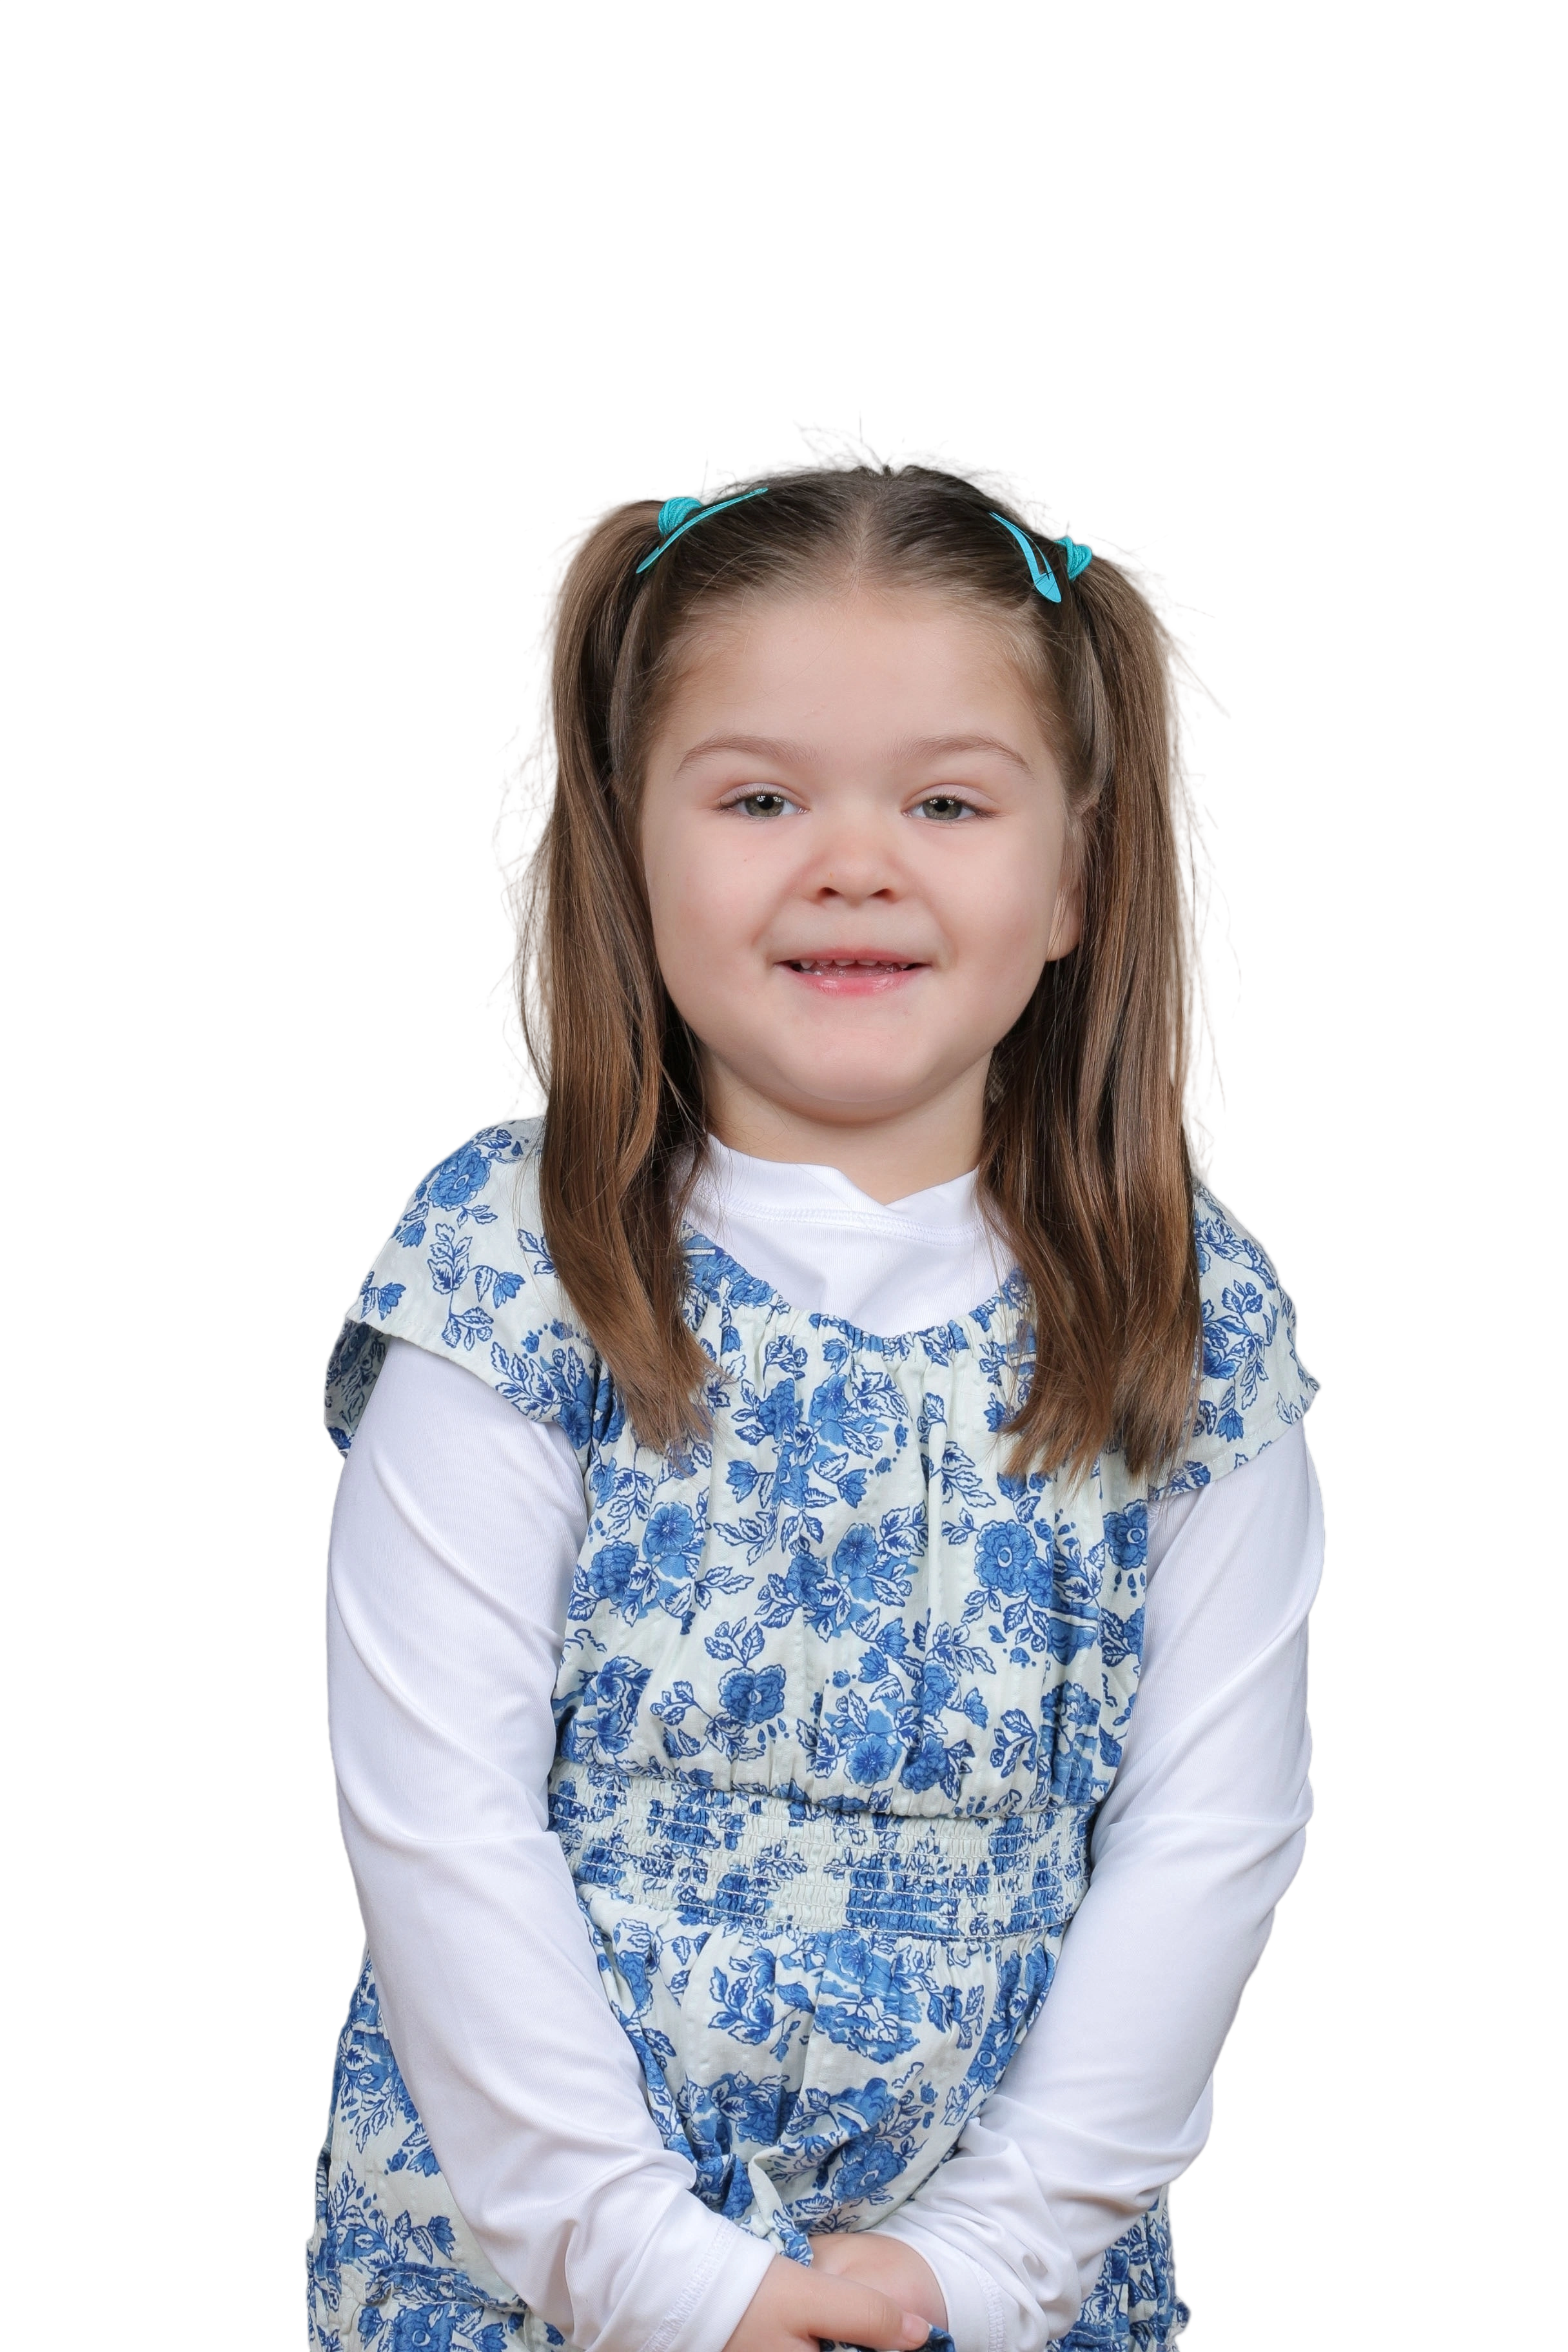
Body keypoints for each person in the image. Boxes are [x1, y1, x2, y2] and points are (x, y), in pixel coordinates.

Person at [304, 422, 1324, 2352]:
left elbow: (1213, 1831)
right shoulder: (515, 1267)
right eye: (761, 797)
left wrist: (988, 2257)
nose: (854, 862)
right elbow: (439, 1817)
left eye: (948, 802)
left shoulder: (1183, 1310)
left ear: (1077, 876)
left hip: (1004, 2288)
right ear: (633, 853)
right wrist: (655, 2270)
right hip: (535, 2281)